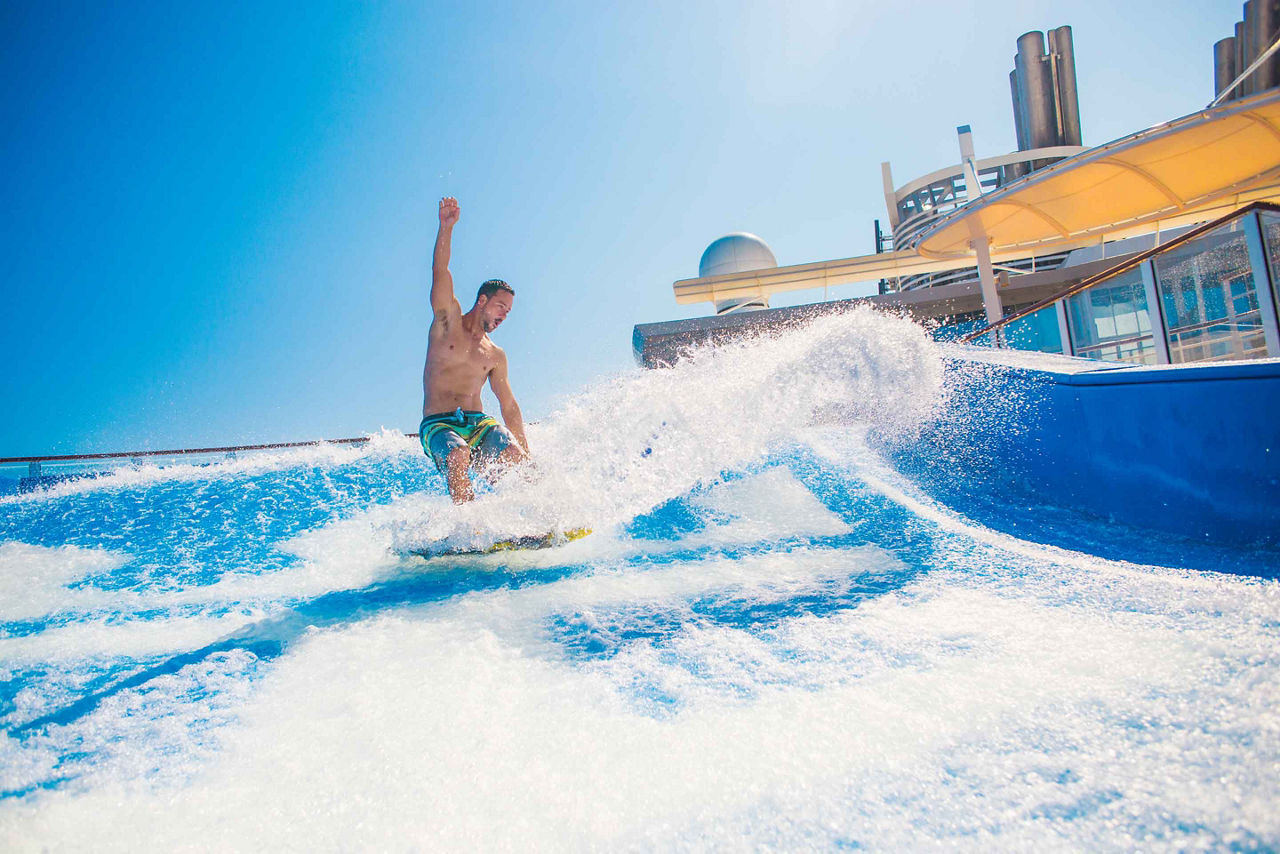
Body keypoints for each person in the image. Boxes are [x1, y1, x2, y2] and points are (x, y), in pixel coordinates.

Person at [419, 196, 529, 503]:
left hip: (477, 423)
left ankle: (533, 517)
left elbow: (509, 406)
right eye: (500, 306)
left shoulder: (494, 354)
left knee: (511, 453)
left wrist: (527, 456)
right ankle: (468, 526)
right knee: (457, 454)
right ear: (482, 300)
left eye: (508, 312)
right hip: (439, 423)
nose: (504, 315)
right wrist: (446, 227)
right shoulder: (447, 321)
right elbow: (440, 270)